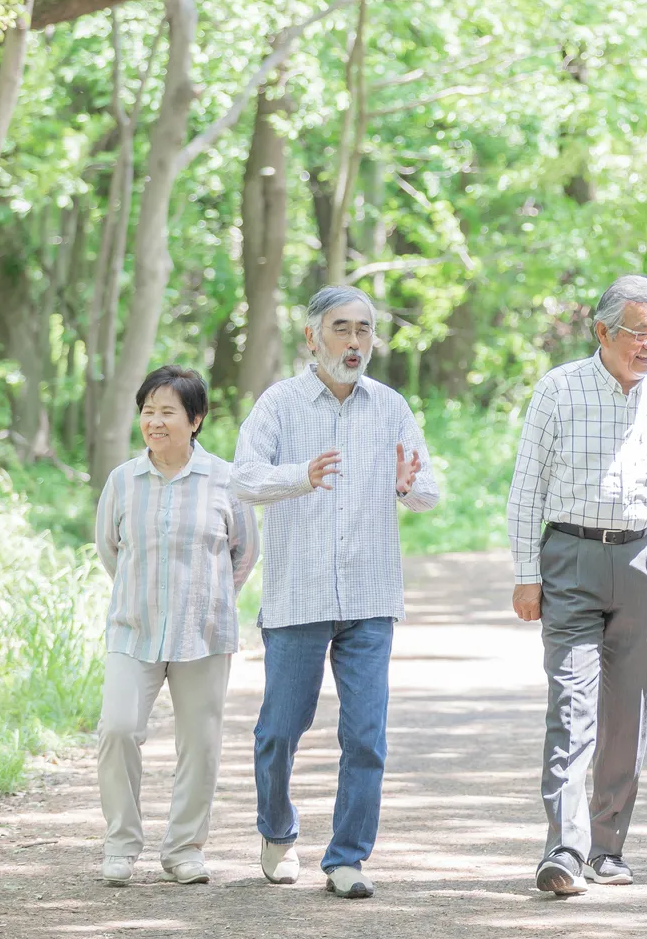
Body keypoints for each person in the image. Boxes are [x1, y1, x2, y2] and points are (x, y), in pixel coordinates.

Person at [231, 285, 441, 900]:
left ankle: (347, 858)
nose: (355, 343)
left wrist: (408, 487)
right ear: (312, 337)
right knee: (279, 730)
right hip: (298, 598)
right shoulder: (280, 403)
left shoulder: (391, 406)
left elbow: (427, 489)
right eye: (343, 329)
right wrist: (302, 475)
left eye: (365, 331)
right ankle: (277, 830)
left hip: (371, 598)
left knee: (366, 735)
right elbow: (243, 478)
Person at [508, 275, 647, 896]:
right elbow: (526, 489)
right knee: (571, 703)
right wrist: (525, 574)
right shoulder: (558, 389)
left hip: (646, 558)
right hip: (571, 557)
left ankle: (608, 847)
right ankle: (564, 849)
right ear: (602, 331)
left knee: (628, 711)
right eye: (639, 333)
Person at [93, 365, 258, 887]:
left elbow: (244, 553)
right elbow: (110, 550)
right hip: (133, 628)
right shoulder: (122, 480)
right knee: (117, 729)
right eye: (148, 411)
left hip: (204, 632)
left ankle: (185, 849)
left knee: (200, 742)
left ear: (196, 420)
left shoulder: (227, 480)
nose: (155, 422)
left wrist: (206, 600)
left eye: (167, 412)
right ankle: (121, 844)